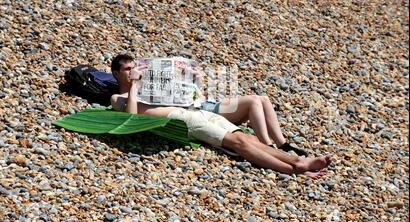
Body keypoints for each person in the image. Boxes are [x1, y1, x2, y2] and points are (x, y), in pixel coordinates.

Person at [110, 54, 331, 179]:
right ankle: (295, 167)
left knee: (251, 139)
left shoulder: (150, 87)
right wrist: (136, 84)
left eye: (133, 68)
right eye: (128, 70)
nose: (132, 72)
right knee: (239, 142)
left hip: (198, 112)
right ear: (117, 73)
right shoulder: (118, 97)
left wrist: (189, 81)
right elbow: (133, 120)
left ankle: (299, 163)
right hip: (185, 120)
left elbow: (190, 98)